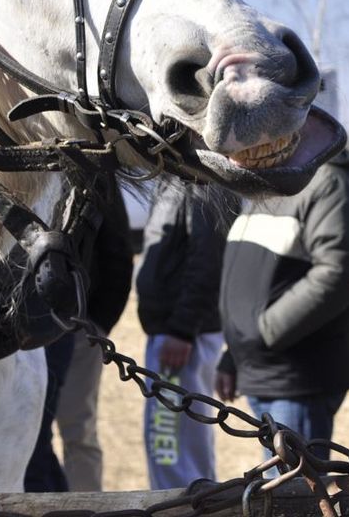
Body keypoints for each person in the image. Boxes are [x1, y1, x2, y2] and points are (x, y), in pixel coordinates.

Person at [216, 149, 349, 455]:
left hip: (297, 380)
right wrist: (234, 355)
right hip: (264, 371)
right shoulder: (271, 183)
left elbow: (338, 273)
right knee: (278, 491)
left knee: (296, 493)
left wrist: (263, 333)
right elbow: (255, 282)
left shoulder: (327, 181)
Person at [24, 179, 134, 492]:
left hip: (77, 326)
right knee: (34, 436)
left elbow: (117, 251)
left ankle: (87, 504)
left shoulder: (89, 174)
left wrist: (97, 323)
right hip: (24, 328)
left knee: (78, 430)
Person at [137, 180, 238, 490]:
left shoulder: (203, 185)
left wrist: (182, 330)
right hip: (171, 332)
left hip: (183, 338)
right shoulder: (174, 180)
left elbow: (208, 262)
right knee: (169, 445)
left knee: (174, 449)